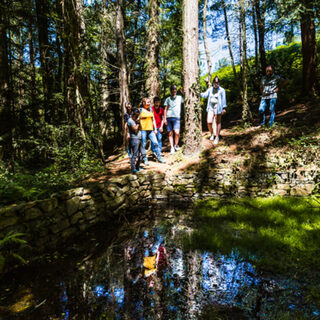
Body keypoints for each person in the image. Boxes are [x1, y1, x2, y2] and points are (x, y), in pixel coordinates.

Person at [200, 76, 227, 144]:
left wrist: (224, 108)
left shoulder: (222, 90)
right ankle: (212, 133)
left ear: (219, 83)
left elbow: (224, 100)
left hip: (218, 107)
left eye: (217, 82)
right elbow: (204, 95)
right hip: (210, 106)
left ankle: (217, 137)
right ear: (213, 83)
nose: (216, 84)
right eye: (215, 82)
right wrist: (198, 92)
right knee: (209, 121)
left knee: (218, 122)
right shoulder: (210, 89)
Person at [140, 98, 166, 164]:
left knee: (156, 143)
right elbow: (137, 119)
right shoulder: (140, 110)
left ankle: (159, 157)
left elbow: (153, 119)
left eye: (149, 102)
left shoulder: (150, 109)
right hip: (143, 130)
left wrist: (155, 129)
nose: (149, 103)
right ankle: (145, 159)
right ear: (143, 103)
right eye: (147, 102)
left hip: (151, 129)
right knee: (144, 144)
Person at [164, 85, 184, 155]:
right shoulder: (168, 99)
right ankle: (172, 147)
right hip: (169, 117)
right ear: (170, 91)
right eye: (172, 89)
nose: (173, 91)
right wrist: (164, 119)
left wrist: (183, 92)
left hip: (177, 117)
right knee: (170, 133)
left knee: (177, 132)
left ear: (176, 90)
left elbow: (186, 99)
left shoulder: (179, 97)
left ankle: (176, 145)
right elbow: (165, 109)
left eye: (175, 89)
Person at [127, 108, 147, 174]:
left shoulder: (136, 120)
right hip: (134, 139)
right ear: (133, 114)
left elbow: (141, 128)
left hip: (139, 138)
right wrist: (138, 123)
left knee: (143, 153)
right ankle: (133, 169)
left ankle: (137, 166)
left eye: (138, 114)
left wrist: (139, 122)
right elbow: (135, 130)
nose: (137, 116)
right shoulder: (130, 121)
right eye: (136, 114)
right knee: (135, 154)